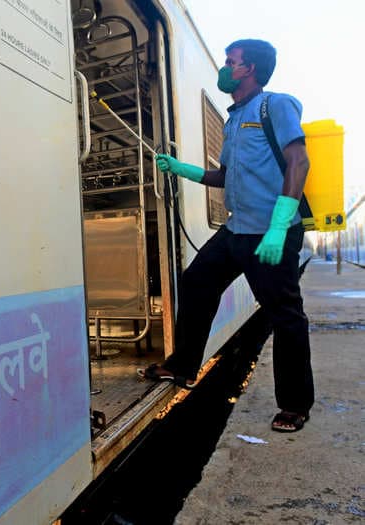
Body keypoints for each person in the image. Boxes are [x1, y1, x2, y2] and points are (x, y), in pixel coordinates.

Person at [138, 39, 313, 433]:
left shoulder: (276, 105)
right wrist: (181, 169)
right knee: (197, 280)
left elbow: (298, 161)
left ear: (247, 68)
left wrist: (279, 226)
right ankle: (183, 367)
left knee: (285, 316)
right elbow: (224, 175)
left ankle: (295, 405)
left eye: (229, 61)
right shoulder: (234, 120)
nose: (224, 66)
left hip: (271, 232)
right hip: (236, 230)